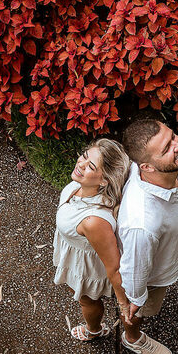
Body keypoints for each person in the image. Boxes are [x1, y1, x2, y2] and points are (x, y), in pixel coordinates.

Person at [117, 119, 178, 354]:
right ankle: (132, 338)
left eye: (172, 137)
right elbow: (135, 271)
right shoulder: (142, 224)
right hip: (153, 279)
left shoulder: (169, 169)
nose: (177, 145)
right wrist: (136, 300)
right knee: (139, 310)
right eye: (166, 148)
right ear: (147, 166)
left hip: (166, 252)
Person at [53, 138, 131, 341]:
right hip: (74, 251)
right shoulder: (80, 186)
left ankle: (93, 330)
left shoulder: (93, 222)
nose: (80, 165)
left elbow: (113, 267)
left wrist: (123, 302)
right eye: (84, 157)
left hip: (84, 268)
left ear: (104, 180)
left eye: (91, 166)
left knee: (86, 301)